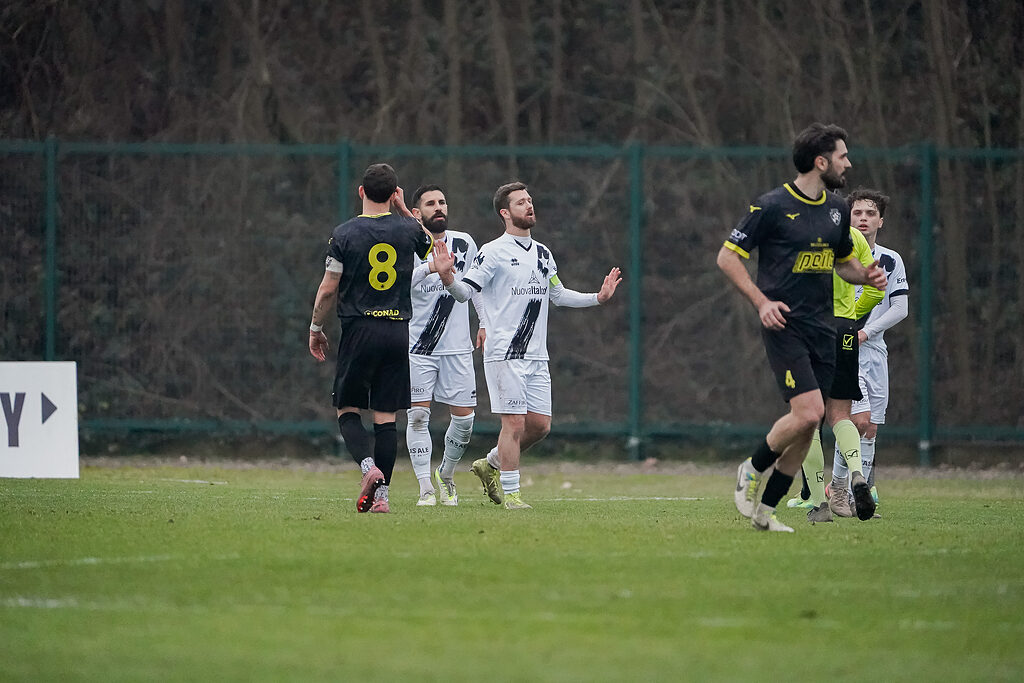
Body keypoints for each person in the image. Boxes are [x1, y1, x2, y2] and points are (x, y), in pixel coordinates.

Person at [717, 122, 887, 533]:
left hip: (824, 328)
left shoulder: (837, 210)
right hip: (785, 324)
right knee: (809, 411)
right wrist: (761, 302)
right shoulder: (771, 206)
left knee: (811, 422)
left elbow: (844, 265)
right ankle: (752, 468)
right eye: (842, 156)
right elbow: (727, 257)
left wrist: (865, 275)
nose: (848, 163)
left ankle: (765, 511)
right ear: (821, 162)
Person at [431, 181, 621, 510]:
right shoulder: (492, 252)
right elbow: (465, 293)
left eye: (530, 200)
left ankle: (490, 464)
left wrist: (598, 298)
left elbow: (558, 294)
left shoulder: (543, 253)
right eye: (520, 202)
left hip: (536, 355)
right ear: (505, 213)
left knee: (540, 426)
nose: (529, 205)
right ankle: (513, 496)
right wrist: (448, 278)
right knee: (514, 423)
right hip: (505, 353)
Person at [308, 163, 434, 514]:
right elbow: (433, 248)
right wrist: (405, 211)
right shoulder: (408, 229)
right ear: (394, 194)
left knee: (348, 409)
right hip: (397, 331)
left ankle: (368, 468)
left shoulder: (344, 234)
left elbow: (328, 289)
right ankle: (382, 499)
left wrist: (316, 328)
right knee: (385, 417)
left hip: (360, 330)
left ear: (361, 192)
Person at [787, 199, 884, 523]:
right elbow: (875, 290)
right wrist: (852, 316)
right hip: (844, 329)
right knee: (841, 414)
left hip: (810, 328)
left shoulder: (800, 230)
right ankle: (857, 475)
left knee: (807, 418)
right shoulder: (853, 237)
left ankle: (818, 503)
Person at [828, 188, 909, 513]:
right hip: (847, 346)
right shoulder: (837, 255)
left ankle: (858, 492)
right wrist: (851, 330)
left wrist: (867, 332)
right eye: (857, 213)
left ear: (881, 221)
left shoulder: (890, 260)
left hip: (875, 349)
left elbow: (900, 307)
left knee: (871, 427)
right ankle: (837, 489)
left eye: (870, 213)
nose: (863, 219)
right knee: (856, 420)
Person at [405, 184, 485, 507]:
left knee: (465, 422)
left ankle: (446, 475)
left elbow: (475, 287)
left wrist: (484, 322)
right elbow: (399, 284)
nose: (438, 207)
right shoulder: (406, 244)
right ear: (416, 213)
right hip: (418, 346)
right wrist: (430, 268)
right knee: (417, 417)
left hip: (457, 347)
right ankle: (425, 487)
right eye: (430, 203)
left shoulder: (464, 243)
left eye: (442, 202)